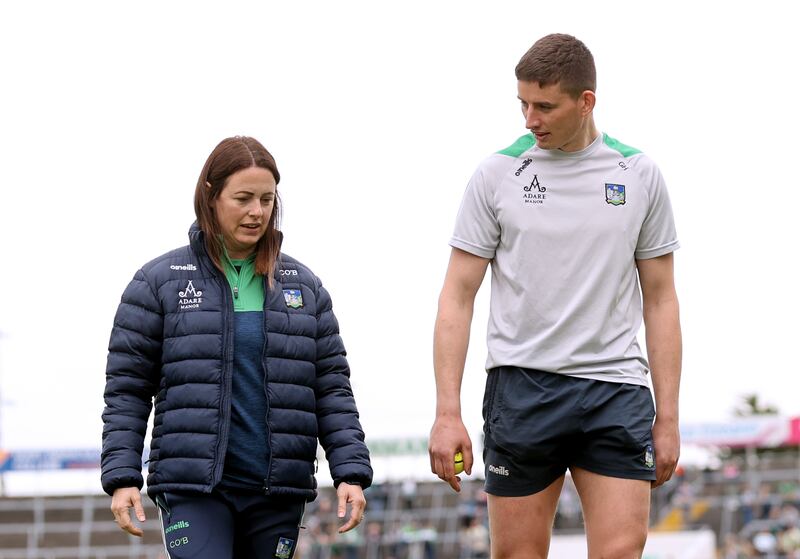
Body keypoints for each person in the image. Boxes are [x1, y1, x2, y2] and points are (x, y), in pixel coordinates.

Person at [428, 34, 682, 558]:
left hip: (614, 387)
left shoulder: (638, 174)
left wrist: (670, 419)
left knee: (620, 551)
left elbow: (661, 301)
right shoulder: (496, 174)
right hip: (522, 387)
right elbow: (457, 295)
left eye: (544, 106)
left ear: (585, 101)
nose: (529, 118)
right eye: (522, 103)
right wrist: (447, 412)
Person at [101, 136, 372, 558]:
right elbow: (127, 391)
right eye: (243, 198)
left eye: (266, 199)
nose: (257, 211)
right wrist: (122, 477)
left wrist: (350, 472)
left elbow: (331, 389)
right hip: (194, 488)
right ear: (210, 196)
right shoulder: (157, 283)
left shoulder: (305, 288)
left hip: (277, 491)